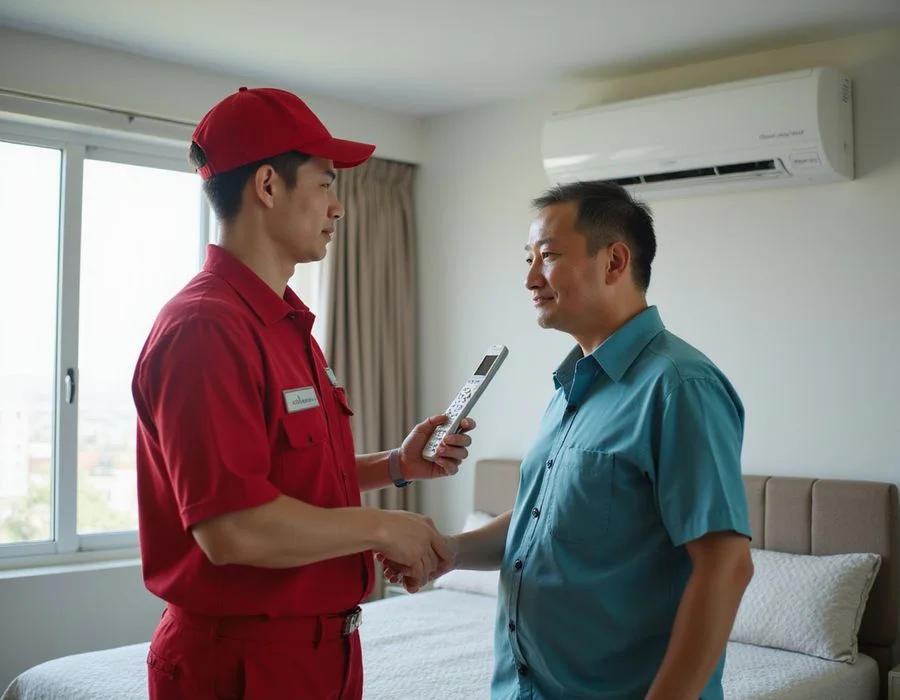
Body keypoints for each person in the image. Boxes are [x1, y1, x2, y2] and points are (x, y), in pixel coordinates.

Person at [131, 86, 472, 700]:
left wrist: (395, 465)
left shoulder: (285, 324)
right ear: (267, 186)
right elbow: (233, 529)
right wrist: (382, 529)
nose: (338, 207)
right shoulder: (207, 328)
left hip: (324, 654)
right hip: (243, 664)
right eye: (325, 184)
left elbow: (287, 483)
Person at [385, 181, 753, 699]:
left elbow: (726, 564)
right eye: (528, 258)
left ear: (614, 261)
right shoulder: (571, 388)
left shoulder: (678, 387)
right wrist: (451, 550)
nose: (531, 277)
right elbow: (545, 519)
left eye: (549, 256)